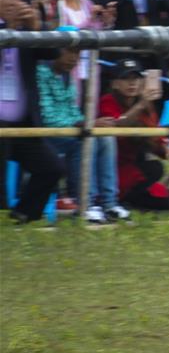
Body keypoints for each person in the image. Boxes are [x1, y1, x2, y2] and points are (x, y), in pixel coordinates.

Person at [39, 43, 130, 223]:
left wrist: (92, 124)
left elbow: (73, 111)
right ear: (55, 50)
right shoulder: (41, 73)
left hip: (69, 129)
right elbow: (47, 117)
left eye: (78, 53)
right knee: (87, 142)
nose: (74, 58)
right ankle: (86, 204)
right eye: (69, 51)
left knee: (105, 137)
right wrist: (87, 124)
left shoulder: (67, 75)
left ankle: (109, 203)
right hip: (47, 132)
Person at [0, 0, 64, 223]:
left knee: (52, 168)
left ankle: (23, 216)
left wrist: (36, 29)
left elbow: (52, 53)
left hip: (22, 121)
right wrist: (9, 29)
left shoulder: (29, 27)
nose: (17, 3)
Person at [98, 59, 169, 211]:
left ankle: (129, 199)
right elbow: (118, 125)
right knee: (155, 168)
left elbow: (153, 135)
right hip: (112, 168)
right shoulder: (107, 101)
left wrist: (166, 149)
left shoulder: (145, 105)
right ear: (115, 83)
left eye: (136, 79)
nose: (132, 83)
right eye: (125, 79)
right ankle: (119, 198)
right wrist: (141, 105)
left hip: (133, 167)